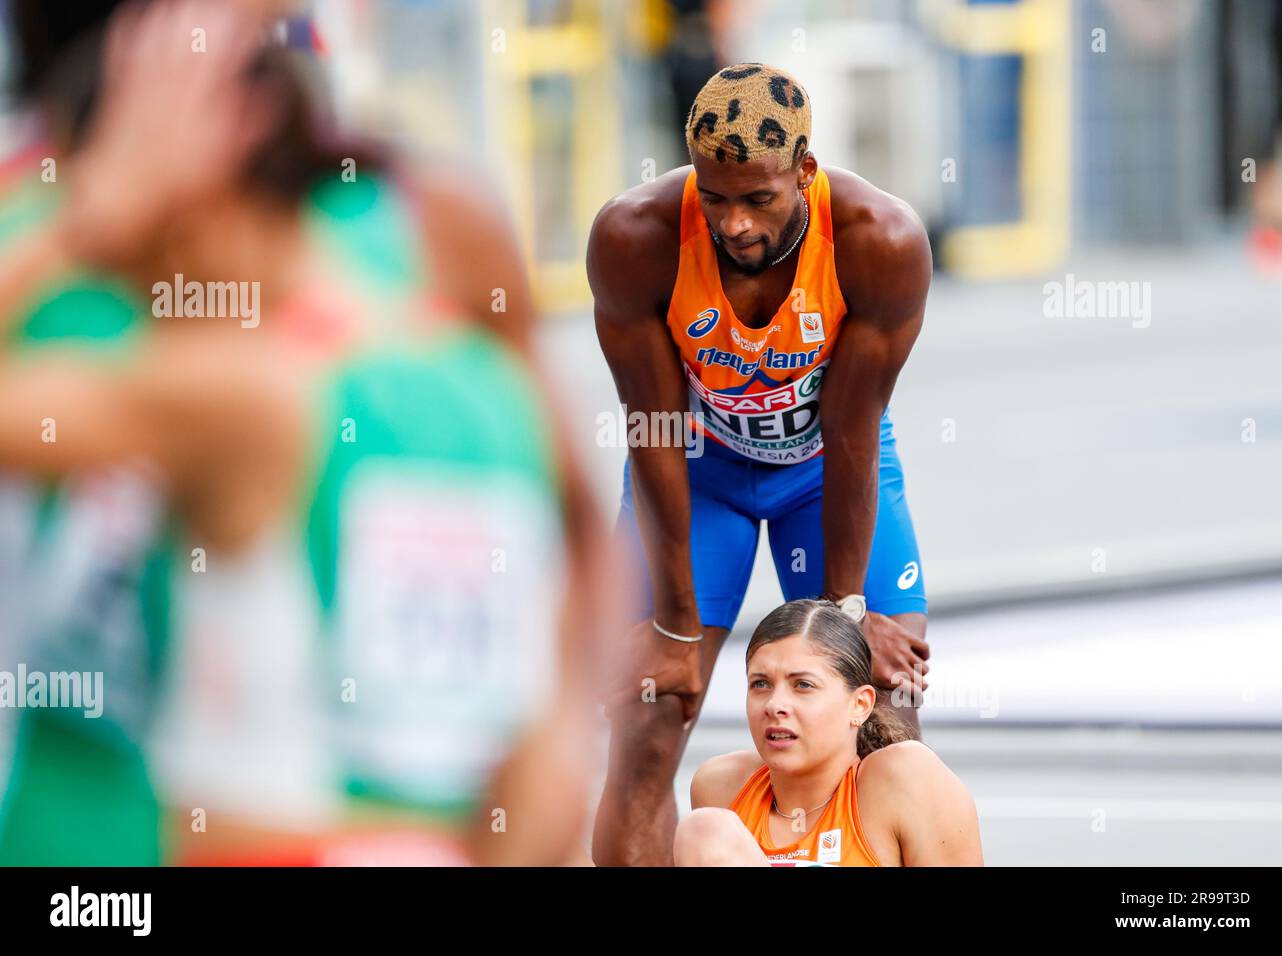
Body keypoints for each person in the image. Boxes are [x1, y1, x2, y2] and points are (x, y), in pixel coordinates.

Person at [0, 0, 608, 866]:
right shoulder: (483, 384)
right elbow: (536, 733)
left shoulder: (240, 393)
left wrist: (86, 215)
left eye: (135, 269)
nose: (138, 300)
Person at [588, 62, 931, 865]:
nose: (735, 225)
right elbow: (653, 430)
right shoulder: (635, 237)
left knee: (881, 717)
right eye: (714, 200)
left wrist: (848, 617)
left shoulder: (880, 240)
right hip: (698, 472)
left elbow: (852, 432)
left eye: (758, 200)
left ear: (805, 174)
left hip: (825, 469)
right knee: (646, 718)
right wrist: (673, 624)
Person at [674, 599, 981, 867]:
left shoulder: (904, 778)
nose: (775, 704)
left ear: (860, 704)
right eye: (760, 684)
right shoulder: (720, 785)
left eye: (803, 685)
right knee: (704, 829)